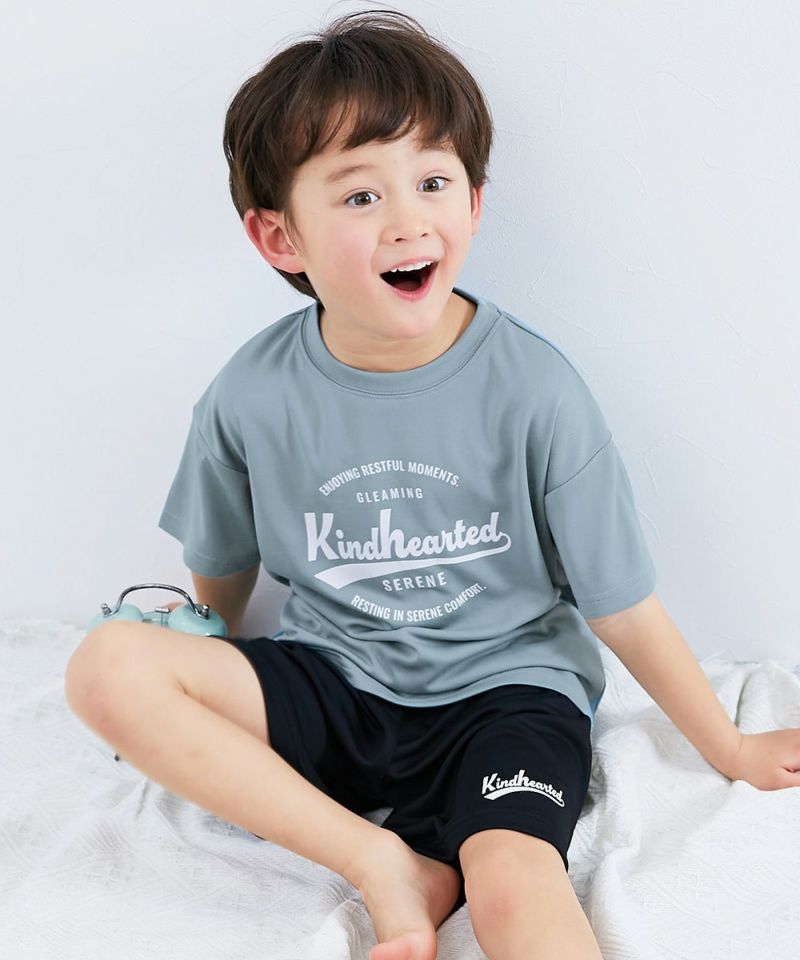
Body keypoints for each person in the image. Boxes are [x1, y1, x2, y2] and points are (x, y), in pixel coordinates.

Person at [65, 9, 800, 960]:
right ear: (279, 237)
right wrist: (205, 681)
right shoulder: (250, 395)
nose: (408, 219)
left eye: (433, 182)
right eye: (360, 195)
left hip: (507, 697)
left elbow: (619, 604)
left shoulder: (536, 390)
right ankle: (385, 864)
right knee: (107, 667)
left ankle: (459, 864)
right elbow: (220, 571)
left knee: (513, 880)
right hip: (337, 682)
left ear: (475, 203)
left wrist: (728, 748)